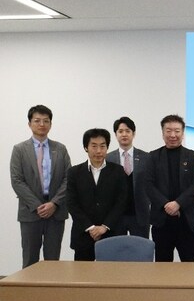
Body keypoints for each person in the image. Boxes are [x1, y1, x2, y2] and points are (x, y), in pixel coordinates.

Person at [10, 105, 71, 268]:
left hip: (56, 211)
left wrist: (54, 203)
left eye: (46, 121)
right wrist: (38, 206)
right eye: (37, 120)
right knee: (30, 259)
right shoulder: (19, 150)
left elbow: (68, 179)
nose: (42, 124)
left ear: (51, 124)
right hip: (30, 211)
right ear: (29, 124)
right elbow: (17, 181)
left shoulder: (60, 149)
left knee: (52, 260)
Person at [146, 114, 194, 262]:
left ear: (182, 133)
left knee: (190, 264)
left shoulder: (192, 156)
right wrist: (166, 204)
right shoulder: (153, 157)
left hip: (187, 220)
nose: (173, 135)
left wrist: (178, 203)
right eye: (168, 131)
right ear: (162, 133)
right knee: (162, 265)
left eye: (177, 131)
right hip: (161, 220)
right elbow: (148, 185)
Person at [66, 128, 128, 261]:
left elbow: (121, 202)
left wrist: (104, 227)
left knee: (111, 273)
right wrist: (91, 228)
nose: (99, 151)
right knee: (82, 273)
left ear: (107, 148)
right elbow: (72, 204)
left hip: (111, 234)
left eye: (102, 146)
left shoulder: (118, 171)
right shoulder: (74, 173)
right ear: (86, 148)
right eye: (94, 146)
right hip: (83, 235)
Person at [106, 117, 151, 238]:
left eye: (128, 131)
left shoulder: (146, 157)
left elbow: (152, 184)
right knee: (116, 248)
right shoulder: (108, 158)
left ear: (133, 133)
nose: (124, 134)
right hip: (115, 216)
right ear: (115, 134)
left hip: (140, 215)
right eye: (120, 131)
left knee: (140, 248)